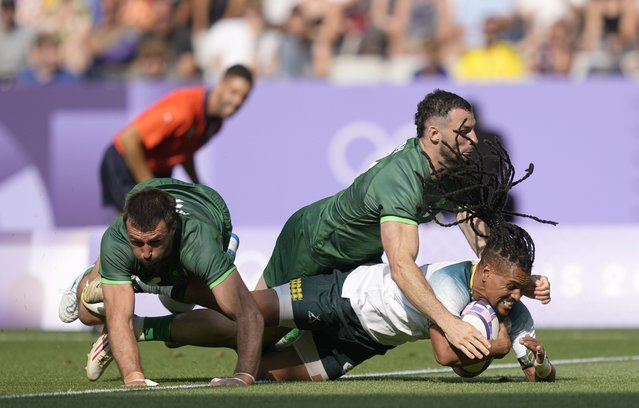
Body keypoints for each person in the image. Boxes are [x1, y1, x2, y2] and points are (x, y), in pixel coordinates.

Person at [85, 219, 555, 384]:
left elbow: (532, 368)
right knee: (242, 317)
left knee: (268, 370)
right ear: (485, 271)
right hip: (338, 295)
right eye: (511, 287)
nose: (515, 297)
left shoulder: (510, 307)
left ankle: (136, 329)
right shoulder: (453, 288)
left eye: (522, 287)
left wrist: (539, 361)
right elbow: (446, 354)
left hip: (359, 346)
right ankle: (144, 300)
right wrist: (497, 349)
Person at [257, 89, 492, 361]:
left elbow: (474, 228)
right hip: (313, 243)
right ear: (434, 134)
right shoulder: (402, 177)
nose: (474, 139)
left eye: (474, 130)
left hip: (358, 258)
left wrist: (510, 275)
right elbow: (402, 267)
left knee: (277, 343)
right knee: (247, 325)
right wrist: (450, 325)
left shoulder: (450, 169)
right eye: (464, 131)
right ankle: (199, 298)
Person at [60, 177, 264, 387]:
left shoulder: (199, 245)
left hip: (206, 207)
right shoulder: (117, 238)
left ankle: (143, 286)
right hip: (149, 194)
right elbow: (120, 318)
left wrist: (243, 377)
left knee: (220, 316)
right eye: (137, 242)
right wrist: (134, 378)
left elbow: (248, 313)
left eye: (155, 242)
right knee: (87, 314)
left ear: (173, 228)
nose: (146, 253)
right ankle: (96, 271)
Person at [100, 64, 253, 211]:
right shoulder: (182, 111)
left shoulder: (216, 123)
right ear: (220, 85)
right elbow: (128, 139)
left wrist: (197, 185)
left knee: (164, 227)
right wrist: (151, 187)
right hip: (125, 161)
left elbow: (184, 150)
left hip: (158, 170)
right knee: (139, 227)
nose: (238, 101)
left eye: (244, 97)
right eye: (233, 92)